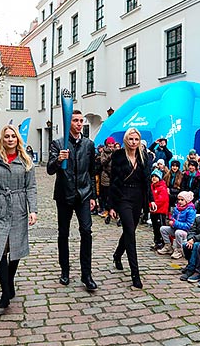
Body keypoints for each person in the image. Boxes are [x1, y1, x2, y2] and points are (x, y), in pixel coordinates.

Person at [0, 125, 37, 308]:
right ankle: (5, 291)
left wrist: (33, 210)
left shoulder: (26, 161)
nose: (10, 139)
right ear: (2, 140)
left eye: (13, 136)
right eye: (7, 136)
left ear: (17, 139)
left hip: (18, 207)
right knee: (0, 248)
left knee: (16, 248)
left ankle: (9, 280)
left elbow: (31, 187)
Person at [47, 110, 98, 291]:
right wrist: (59, 159)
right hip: (64, 194)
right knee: (63, 233)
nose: (78, 123)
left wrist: (93, 196)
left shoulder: (89, 145)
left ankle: (87, 274)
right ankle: (65, 271)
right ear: (69, 122)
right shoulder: (58, 144)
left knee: (86, 231)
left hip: (83, 194)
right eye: (75, 120)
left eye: (80, 120)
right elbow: (50, 170)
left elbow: (92, 172)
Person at [108, 128, 157, 289]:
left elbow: (147, 181)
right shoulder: (118, 156)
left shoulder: (144, 157)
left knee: (130, 231)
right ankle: (135, 274)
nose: (133, 142)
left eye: (136, 139)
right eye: (131, 139)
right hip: (123, 196)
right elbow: (113, 181)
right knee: (130, 232)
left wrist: (151, 200)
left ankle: (117, 254)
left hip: (138, 197)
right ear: (125, 140)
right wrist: (112, 205)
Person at [158, 191, 196, 259]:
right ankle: (168, 246)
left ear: (187, 200)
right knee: (163, 229)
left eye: (182, 200)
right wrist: (171, 221)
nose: (180, 201)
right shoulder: (177, 208)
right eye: (179, 199)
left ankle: (179, 250)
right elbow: (173, 217)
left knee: (178, 232)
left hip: (186, 232)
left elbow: (189, 225)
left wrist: (175, 223)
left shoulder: (190, 210)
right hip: (176, 228)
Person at [150, 169, 169, 251]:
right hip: (153, 211)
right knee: (155, 228)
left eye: (156, 177)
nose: (154, 178)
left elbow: (161, 200)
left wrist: (151, 204)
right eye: (153, 176)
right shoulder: (152, 187)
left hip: (160, 211)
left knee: (160, 227)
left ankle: (162, 242)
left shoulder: (162, 187)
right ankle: (157, 241)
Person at [97, 137, 115, 219]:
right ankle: (105, 209)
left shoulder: (116, 151)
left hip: (114, 175)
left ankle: (112, 209)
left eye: (112, 143)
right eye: (109, 144)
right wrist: (110, 156)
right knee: (105, 193)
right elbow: (103, 162)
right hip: (106, 176)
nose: (111, 145)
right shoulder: (104, 152)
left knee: (113, 194)